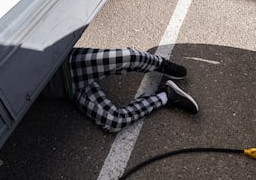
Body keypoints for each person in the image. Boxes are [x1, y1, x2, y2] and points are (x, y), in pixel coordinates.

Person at [44, 47, 199, 133]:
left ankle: (160, 64)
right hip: (66, 88)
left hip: (65, 63)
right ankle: (166, 95)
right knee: (114, 122)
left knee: (126, 57)